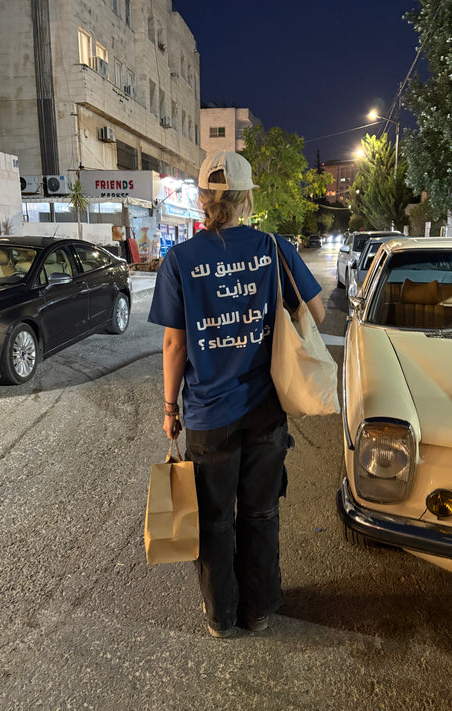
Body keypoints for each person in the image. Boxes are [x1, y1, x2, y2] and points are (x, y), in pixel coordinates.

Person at [148, 150, 325, 637]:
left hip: (209, 416)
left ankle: (222, 616)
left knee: (214, 519)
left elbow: (175, 344)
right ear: (247, 199)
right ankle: (260, 609)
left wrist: (169, 409)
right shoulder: (273, 248)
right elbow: (316, 312)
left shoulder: (180, 260)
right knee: (261, 513)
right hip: (266, 407)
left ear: (203, 199)